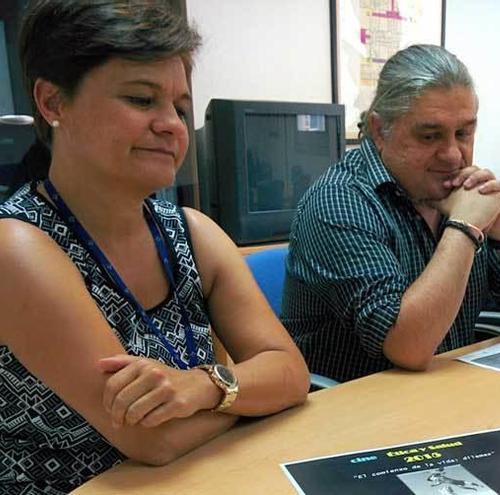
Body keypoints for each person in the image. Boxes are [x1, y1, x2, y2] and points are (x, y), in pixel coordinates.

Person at [0, 1, 309, 492]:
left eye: (180, 107)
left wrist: (204, 385)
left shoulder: (191, 231)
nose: (172, 125)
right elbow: (154, 442)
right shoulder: (17, 246)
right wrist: (246, 397)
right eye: (142, 100)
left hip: (204, 477)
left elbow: (292, 373)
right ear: (53, 102)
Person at [282, 44, 500, 383]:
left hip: (443, 390)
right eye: (430, 136)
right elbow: (408, 346)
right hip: (357, 410)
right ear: (380, 131)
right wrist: (464, 227)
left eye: (464, 133)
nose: (454, 155)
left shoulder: (457, 190)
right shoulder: (338, 201)